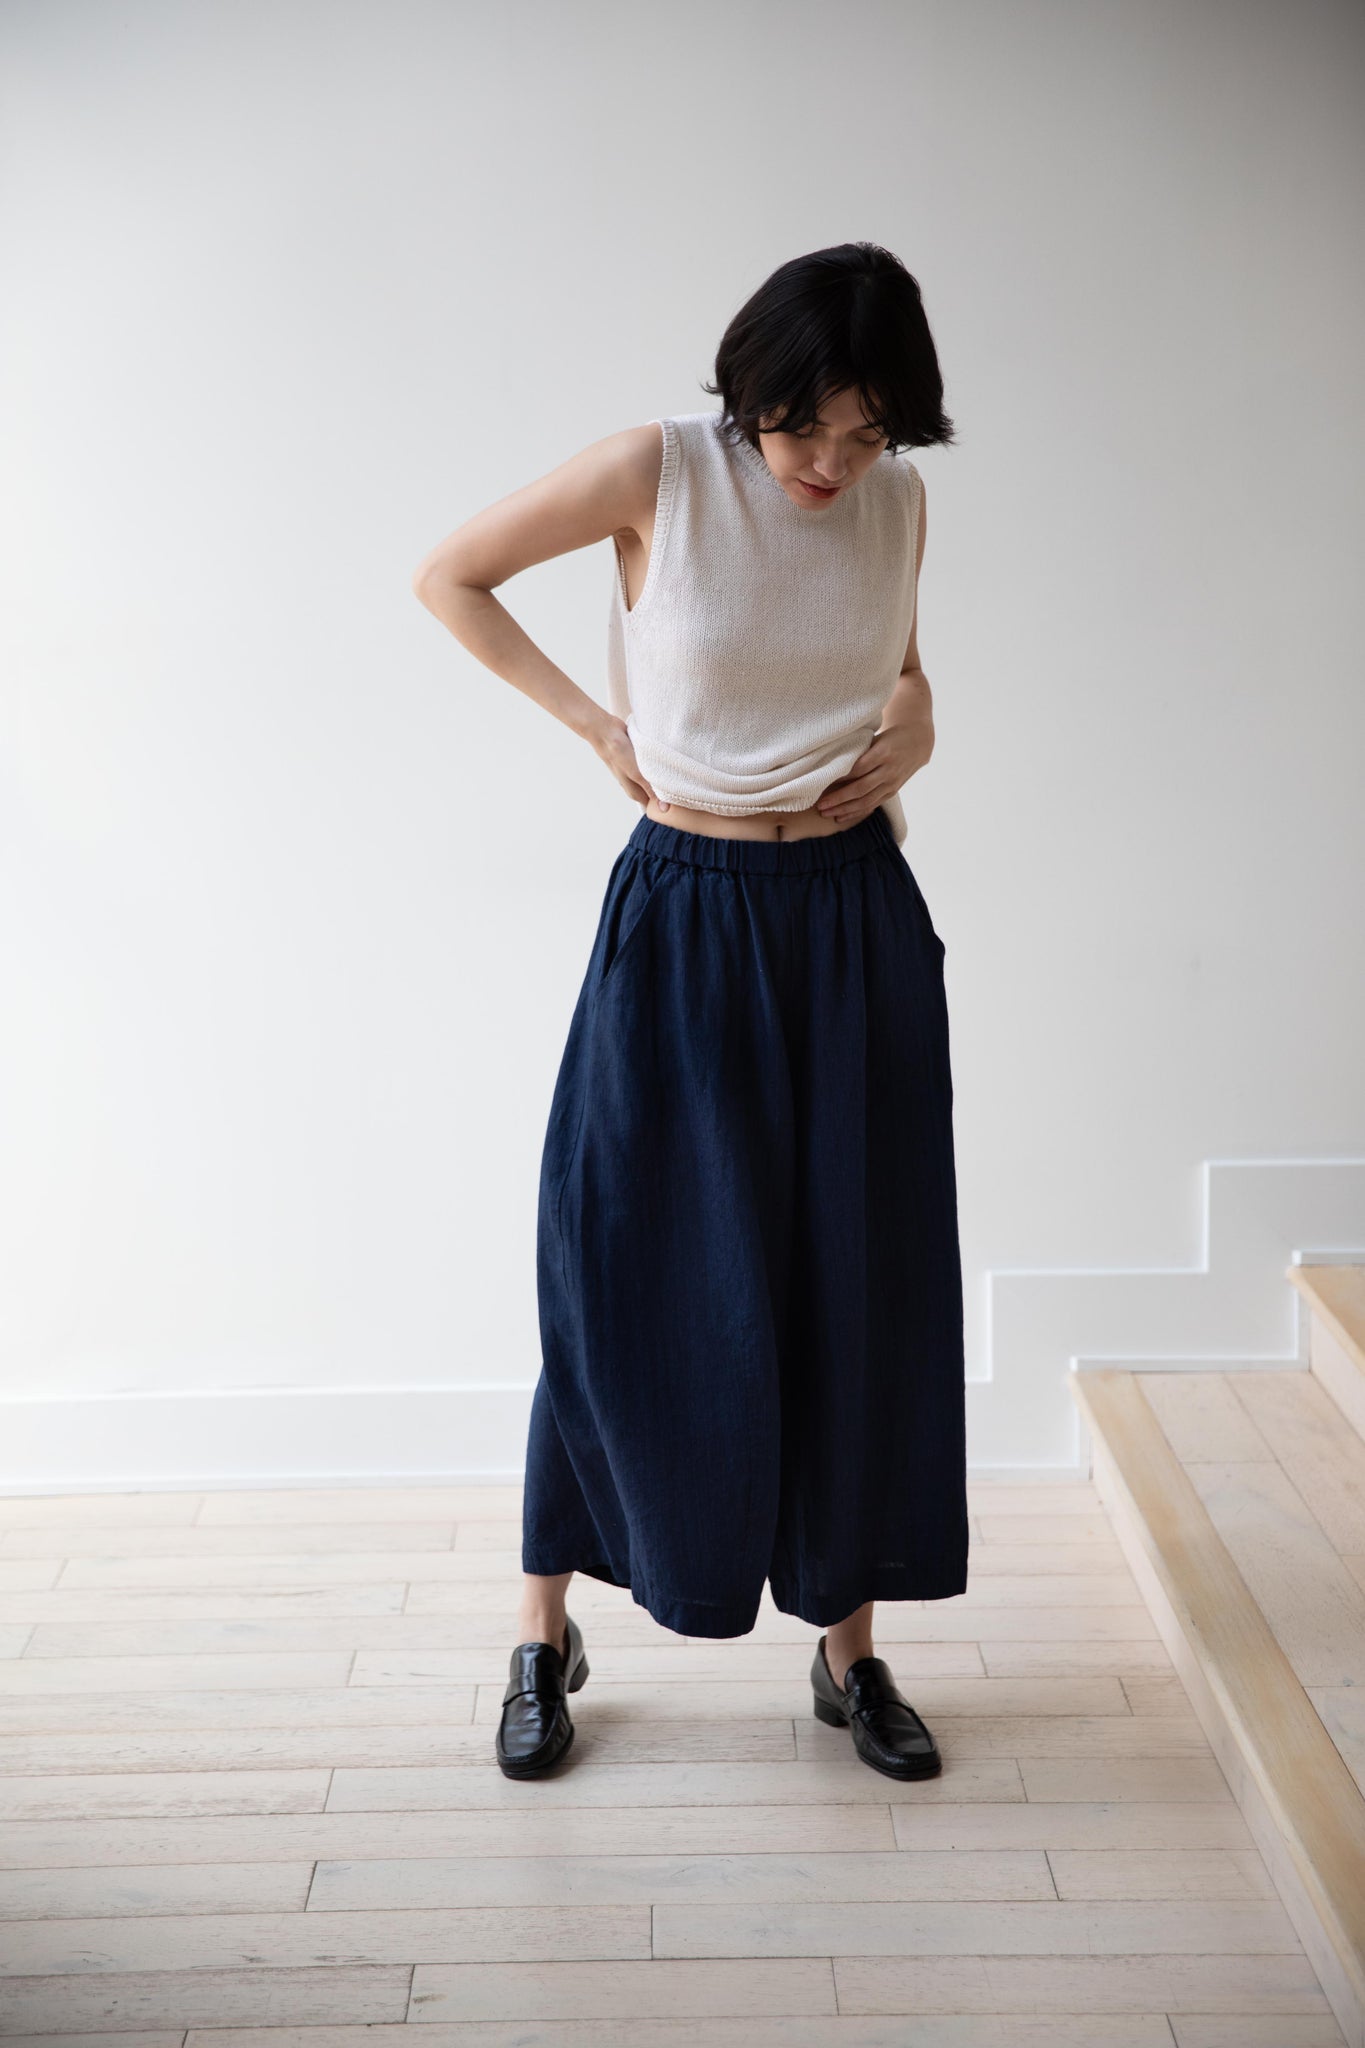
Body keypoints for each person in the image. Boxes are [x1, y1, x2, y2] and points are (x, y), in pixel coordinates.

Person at [412, 241, 967, 1786]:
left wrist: (920, 715)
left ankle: (848, 1655)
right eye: (808, 427)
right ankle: (542, 1634)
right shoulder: (653, 473)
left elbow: (895, 669)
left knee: (849, 1275)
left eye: (868, 434)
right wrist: (595, 725)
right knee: (618, 1271)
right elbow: (449, 574)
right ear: (751, 390)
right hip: (687, 914)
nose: (832, 463)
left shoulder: (897, 505)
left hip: (851, 916)